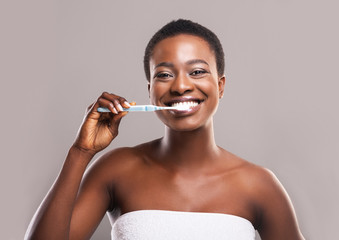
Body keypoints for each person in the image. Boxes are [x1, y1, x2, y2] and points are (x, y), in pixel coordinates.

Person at [25, 19, 304, 240]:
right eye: (164, 74)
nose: (180, 86)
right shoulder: (116, 169)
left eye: (196, 71)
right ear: (150, 91)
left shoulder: (258, 184)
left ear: (220, 86)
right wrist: (81, 152)